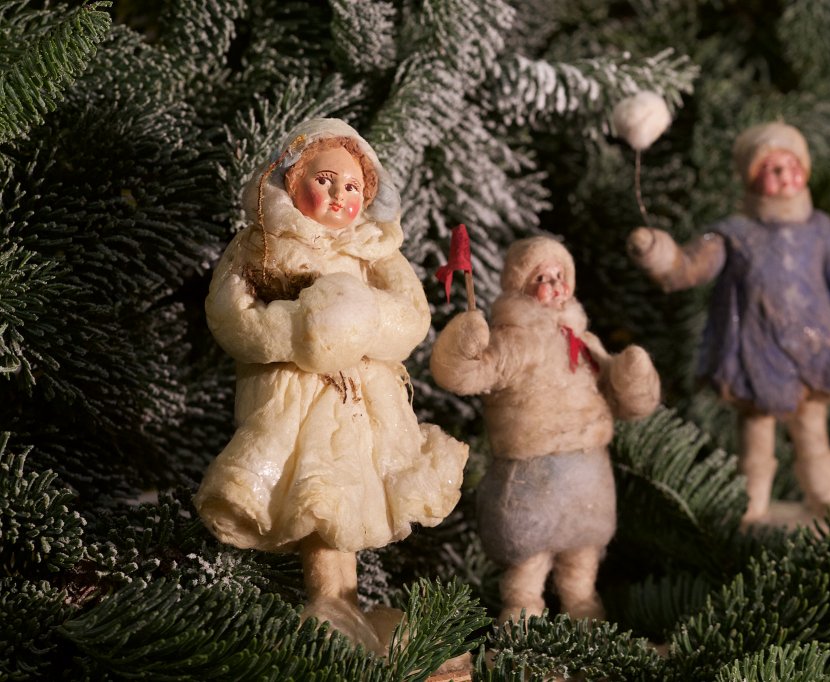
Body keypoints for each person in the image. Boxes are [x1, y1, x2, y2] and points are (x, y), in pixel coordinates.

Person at [195, 118, 467, 653]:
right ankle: (329, 602)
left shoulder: (374, 249)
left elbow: (412, 317)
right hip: (295, 396)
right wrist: (302, 331)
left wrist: (360, 323)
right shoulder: (262, 244)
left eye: (352, 186)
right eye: (324, 180)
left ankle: (346, 603)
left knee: (351, 489)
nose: (340, 194)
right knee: (318, 488)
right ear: (292, 180)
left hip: (363, 397)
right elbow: (231, 316)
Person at [628, 122, 830, 526]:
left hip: (812, 353)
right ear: (751, 177)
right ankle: (751, 509)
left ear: (805, 170)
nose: (783, 175)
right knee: (756, 439)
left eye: (790, 165)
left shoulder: (819, 231)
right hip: (756, 356)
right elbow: (690, 266)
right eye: (771, 168)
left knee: (813, 433)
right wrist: (661, 255)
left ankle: (825, 501)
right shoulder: (735, 234)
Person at [431, 236, 660, 621]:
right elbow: (467, 374)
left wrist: (632, 376)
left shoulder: (584, 342)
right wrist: (465, 341)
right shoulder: (514, 342)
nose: (554, 284)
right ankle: (522, 611)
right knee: (529, 557)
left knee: (582, 554)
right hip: (532, 473)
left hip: (588, 473)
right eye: (542, 277)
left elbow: (624, 400)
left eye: (559, 276)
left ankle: (583, 607)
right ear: (520, 286)